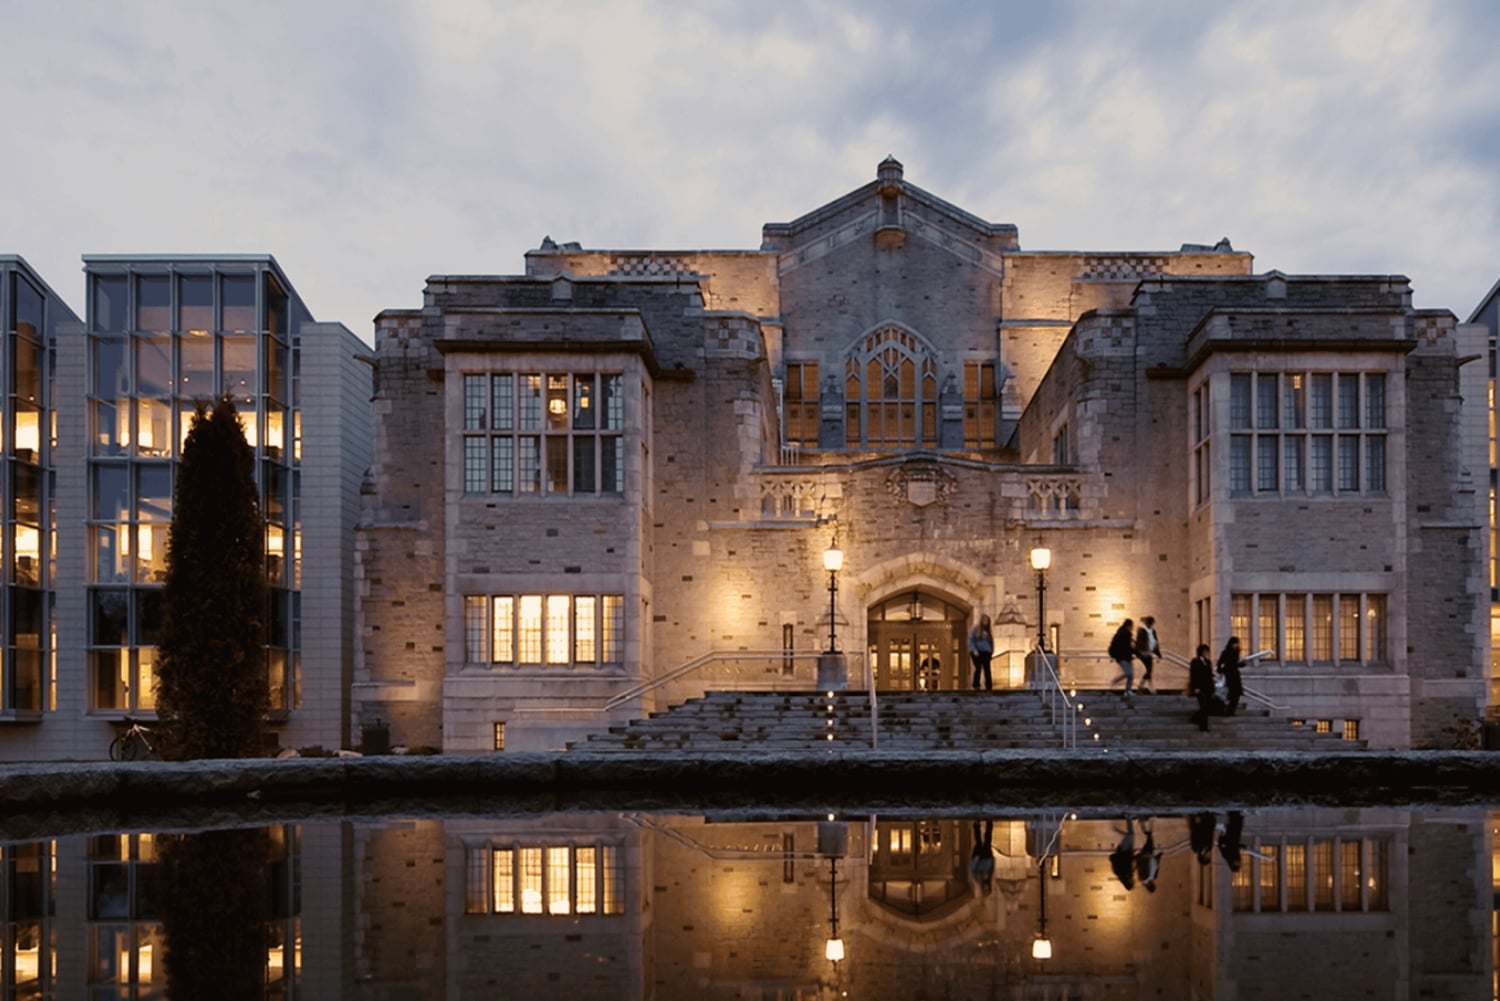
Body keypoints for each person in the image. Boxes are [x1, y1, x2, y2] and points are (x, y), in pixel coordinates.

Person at [1188, 643, 1215, 731]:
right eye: (1205, 651)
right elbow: (1193, 675)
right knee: (1203, 706)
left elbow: (1210, 675)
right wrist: (1195, 687)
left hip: (1207, 687)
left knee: (1207, 707)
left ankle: (1195, 718)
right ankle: (1203, 727)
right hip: (1200, 687)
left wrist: (1212, 687)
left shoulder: (1208, 662)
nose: (1207, 653)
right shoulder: (1195, 662)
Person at [1108, 619, 1136, 703]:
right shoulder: (1124, 635)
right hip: (1122, 657)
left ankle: (1128, 690)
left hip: (1126, 657)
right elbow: (1128, 647)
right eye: (1131, 626)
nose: (1132, 628)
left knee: (1131, 675)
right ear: (1128, 626)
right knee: (1128, 673)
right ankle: (1115, 681)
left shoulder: (1123, 634)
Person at [1216, 637, 1244, 716]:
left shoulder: (1236, 652)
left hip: (1235, 674)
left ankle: (1230, 710)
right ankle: (1228, 710)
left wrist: (1241, 664)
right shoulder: (1226, 652)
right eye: (1235, 643)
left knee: (1236, 694)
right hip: (1229, 675)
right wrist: (1221, 670)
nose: (1236, 645)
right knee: (1232, 693)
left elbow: (1235, 664)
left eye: (1237, 643)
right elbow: (1221, 663)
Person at [1134, 818, 1162, 892]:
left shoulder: (1144, 877)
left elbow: (1141, 866)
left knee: (1149, 838)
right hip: (1149, 855)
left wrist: (1158, 857)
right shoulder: (1151, 877)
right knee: (1149, 838)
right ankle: (1144, 823)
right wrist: (1158, 857)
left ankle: (1143, 822)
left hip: (1146, 856)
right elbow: (1156, 866)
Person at [1108, 817, 1136, 889]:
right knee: (1130, 834)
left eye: (1132, 882)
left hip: (1125, 851)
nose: (1133, 881)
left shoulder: (1125, 873)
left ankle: (1128, 818)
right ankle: (1128, 818)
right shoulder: (1121, 873)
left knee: (1130, 835)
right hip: (1125, 851)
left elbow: (1127, 861)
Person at [968, 614, 994, 690]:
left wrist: (991, 651)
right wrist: (973, 650)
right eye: (985, 620)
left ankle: (989, 685)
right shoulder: (975, 629)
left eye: (987, 621)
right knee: (978, 667)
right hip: (977, 651)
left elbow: (991, 642)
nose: (986, 622)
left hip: (986, 652)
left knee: (987, 669)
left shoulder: (988, 631)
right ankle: (976, 684)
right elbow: (970, 640)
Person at [969, 819, 995, 895]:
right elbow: (992, 869)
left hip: (979, 858)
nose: (986, 888)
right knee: (988, 839)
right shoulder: (989, 878)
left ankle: (976, 824)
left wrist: (975, 860)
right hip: (987, 857)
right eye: (988, 889)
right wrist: (992, 859)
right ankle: (989, 822)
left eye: (985, 890)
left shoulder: (978, 879)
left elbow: (972, 870)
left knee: (978, 841)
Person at [1134, 616, 1160, 693]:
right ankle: (1145, 686)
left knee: (1149, 670)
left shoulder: (1153, 631)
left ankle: (1144, 686)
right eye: (1151, 623)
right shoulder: (1142, 630)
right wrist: (1138, 652)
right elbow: (1138, 642)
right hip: (1143, 652)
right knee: (1148, 669)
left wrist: (1157, 653)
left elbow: (1155, 642)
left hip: (1149, 652)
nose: (1152, 625)